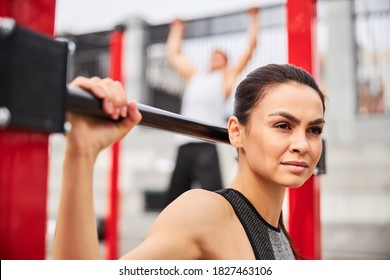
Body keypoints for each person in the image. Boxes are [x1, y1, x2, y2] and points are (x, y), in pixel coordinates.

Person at [53, 63, 326, 260]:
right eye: (282, 125)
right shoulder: (206, 214)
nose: (302, 145)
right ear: (236, 132)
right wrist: (81, 152)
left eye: (314, 130)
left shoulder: (279, 235)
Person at [164, 8, 260, 205]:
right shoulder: (195, 76)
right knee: (174, 199)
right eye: (212, 56)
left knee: (214, 199)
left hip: (206, 142)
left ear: (226, 62)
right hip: (184, 142)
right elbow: (173, 54)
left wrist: (253, 18)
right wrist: (177, 28)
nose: (214, 59)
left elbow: (250, 48)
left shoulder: (226, 77)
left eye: (219, 57)